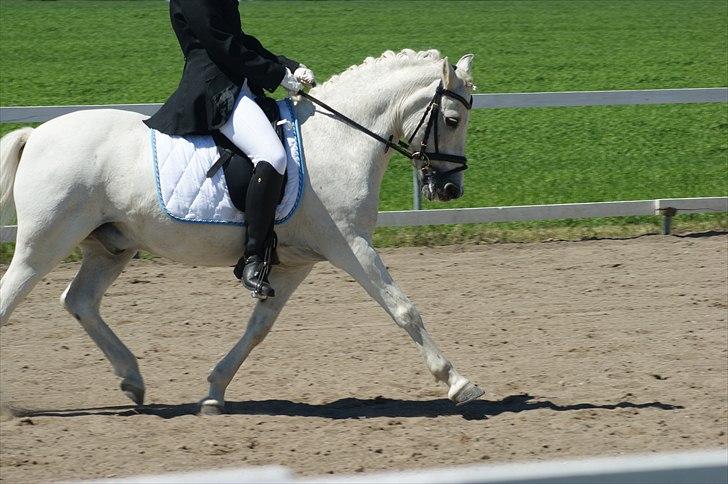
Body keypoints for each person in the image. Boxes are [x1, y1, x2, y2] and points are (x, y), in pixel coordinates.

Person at [145, 0, 315, 298]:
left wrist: (288, 65)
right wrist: (277, 76)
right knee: (272, 156)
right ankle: (253, 258)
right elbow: (220, 44)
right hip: (214, 87)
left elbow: (238, 39)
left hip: (239, 83)